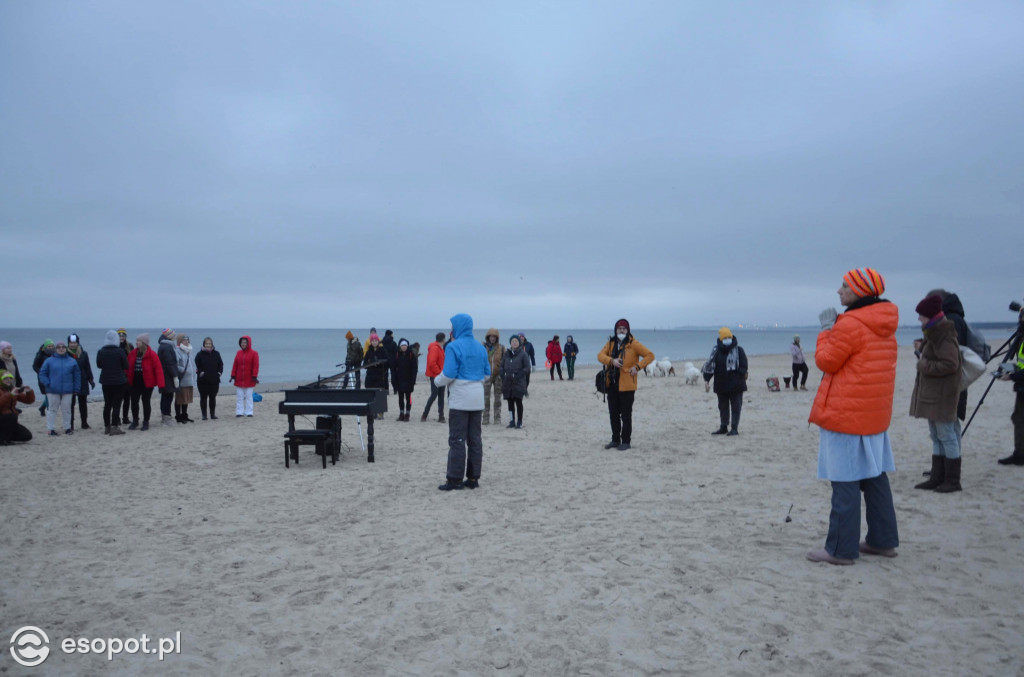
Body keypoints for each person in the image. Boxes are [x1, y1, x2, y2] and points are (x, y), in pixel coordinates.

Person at [806, 268, 899, 565]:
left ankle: (840, 549)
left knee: (844, 479)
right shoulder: (885, 324)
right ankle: (882, 541)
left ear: (860, 290)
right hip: (873, 414)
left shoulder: (851, 324)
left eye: (845, 285)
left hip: (847, 413)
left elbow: (826, 361)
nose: (839, 291)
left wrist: (826, 331)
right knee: (874, 477)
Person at [909, 294, 964, 492]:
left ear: (930, 316)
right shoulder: (934, 333)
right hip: (934, 394)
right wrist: (923, 348)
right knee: (936, 434)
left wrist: (923, 363)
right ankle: (937, 475)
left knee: (946, 434)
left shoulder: (944, 334)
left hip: (943, 394)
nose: (918, 319)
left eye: (921, 315)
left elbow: (951, 364)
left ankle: (952, 480)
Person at [434, 313, 489, 491]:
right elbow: (487, 374)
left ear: (457, 327)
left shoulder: (453, 347)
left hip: (460, 399)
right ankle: (473, 478)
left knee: (457, 439)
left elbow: (449, 373)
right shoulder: (481, 348)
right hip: (477, 398)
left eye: (452, 326)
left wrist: (437, 380)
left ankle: (455, 479)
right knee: (475, 439)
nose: (451, 330)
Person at [597, 319, 654, 451]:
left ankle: (626, 441)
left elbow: (650, 355)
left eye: (624, 328)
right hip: (612, 384)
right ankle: (615, 440)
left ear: (628, 330)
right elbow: (600, 356)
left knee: (626, 415)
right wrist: (611, 360)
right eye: (619, 328)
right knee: (613, 414)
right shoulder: (611, 343)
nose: (621, 330)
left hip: (627, 385)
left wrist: (638, 367)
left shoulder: (633, 344)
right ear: (615, 330)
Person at [702, 328, 749, 435]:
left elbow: (744, 365)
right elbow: (710, 366)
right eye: (725, 338)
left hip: (736, 385)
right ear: (721, 339)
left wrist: (738, 374)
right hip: (721, 384)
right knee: (722, 407)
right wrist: (707, 379)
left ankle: (734, 428)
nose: (727, 339)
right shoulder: (716, 351)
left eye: (729, 337)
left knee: (736, 407)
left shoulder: (739, 350)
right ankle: (723, 426)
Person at [38, 340, 80, 436]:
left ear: (66, 348)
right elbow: (42, 373)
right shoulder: (49, 361)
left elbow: (77, 375)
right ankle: (50, 429)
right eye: (59, 347)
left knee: (67, 409)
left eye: (63, 347)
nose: (61, 349)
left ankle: (67, 428)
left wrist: (76, 388)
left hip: (68, 390)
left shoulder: (72, 361)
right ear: (55, 349)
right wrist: (47, 383)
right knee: (52, 409)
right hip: (52, 389)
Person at [126, 334, 164, 430]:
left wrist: (161, 384)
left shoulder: (152, 354)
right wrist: (125, 379)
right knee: (134, 402)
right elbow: (127, 368)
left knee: (146, 402)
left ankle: (146, 422)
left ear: (143, 343)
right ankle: (135, 421)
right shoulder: (133, 353)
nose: (136, 343)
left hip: (147, 383)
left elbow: (158, 370)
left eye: (138, 341)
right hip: (134, 382)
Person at [997, 335, 1024, 466]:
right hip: (1021, 386)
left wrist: (1012, 376)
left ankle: (1020, 455)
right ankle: (1019, 453)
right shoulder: (1022, 337)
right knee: (1018, 419)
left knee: (1019, 419)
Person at [95, 330, 129, 435]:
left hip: (106, 381)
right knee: (116, 404)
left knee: (107, 404)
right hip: (119, 381)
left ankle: (107, 426)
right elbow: (126, 365)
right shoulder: (119, 351)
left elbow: (99, 365)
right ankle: (114, 426)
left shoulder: (101, 351)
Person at [501, 335, 531, 428]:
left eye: (516, 341)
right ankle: (512, 421)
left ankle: (519, 421)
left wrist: (518, 375)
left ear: (519, 343)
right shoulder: (506, 353)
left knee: (518, 402)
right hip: (508, 383)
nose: (514, 343)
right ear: (510, 343)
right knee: (510, 403)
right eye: (512, 341)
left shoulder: (523, 354)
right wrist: (502, 374)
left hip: (519, 382)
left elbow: (527, 368)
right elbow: (501, 366)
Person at [66, 333, 95, 430]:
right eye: (71, 343)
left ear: (78, 343)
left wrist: (91, 379)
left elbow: (87, 366)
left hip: (82, 379)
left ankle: (84, 422)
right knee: (71, 403)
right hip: (70, 380)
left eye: (74, 343)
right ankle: (71, 424)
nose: (73, 344)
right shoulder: (65, 354)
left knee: (83, 403)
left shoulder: (83, 353)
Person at [0, 370, 34, 444]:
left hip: (10, 421)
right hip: (3, 418)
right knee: (11, 416)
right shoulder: (7, 391)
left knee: (27, 436)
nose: (8, 380)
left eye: (10, 377)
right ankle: (3, 439)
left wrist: (29, 391)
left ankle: (5, 437)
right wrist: (10, 395)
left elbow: (29, 401)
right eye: (5, 378)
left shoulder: (12, 389)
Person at [194, 337, 224, 420]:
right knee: (203, 397)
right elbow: (197, 366)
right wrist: (201, 373)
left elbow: (220, 365)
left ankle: (212, 414)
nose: (208, 345)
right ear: (204, 344)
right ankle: (204, 415)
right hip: (202, 381)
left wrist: (219, 373)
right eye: (206, 343)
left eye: (209, 343)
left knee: (212, 397)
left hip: (214, 380)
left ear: (212, 344)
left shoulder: (216, 354)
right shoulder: (199, 354)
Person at [230, 335, 259, 417]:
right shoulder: (238, 353)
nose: (243, 344)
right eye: (242, 342)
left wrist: (254, 376)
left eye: (245, 342)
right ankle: (239, 412)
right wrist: (233, 375)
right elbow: (235, 364)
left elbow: (255, 366)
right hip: (239, 379)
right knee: (239, 396)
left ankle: (249, 412)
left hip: (249, 379)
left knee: (249, 397)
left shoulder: (254, 353)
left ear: (248, 343)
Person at [421, 332, 447, 422]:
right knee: (434, 395)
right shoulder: (435, 348)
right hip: (435, 376)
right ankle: (424, 414)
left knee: (441, 396)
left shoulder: (440, 348)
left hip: (440, 376)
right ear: (443, 339)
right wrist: (439, 373)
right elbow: (432, 363)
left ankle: (441, 416)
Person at [362, 333, 389, 419]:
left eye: (375, 341)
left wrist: (380, 362)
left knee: (380, 395)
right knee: (371, 395)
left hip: (380, 376)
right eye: (372, 341)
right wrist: (371, 363)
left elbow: (388, 361)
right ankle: (373, 412)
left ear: (378, 341)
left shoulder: (382, 350)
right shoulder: (368, 352)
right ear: (370, 342)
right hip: (370, 376)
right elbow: (364, 364)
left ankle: (380, 413)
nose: (374, 342)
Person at [390, 338, 418, 421]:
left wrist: (413, 380)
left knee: (408, 398)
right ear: (400, 346)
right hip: (400, 380)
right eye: (402, 345)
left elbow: (414, 369)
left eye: (405, 345)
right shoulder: (397, 355)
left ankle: (407, 414)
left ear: (407, 346)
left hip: (409, 380)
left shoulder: (411, 355)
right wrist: (394, 380)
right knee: (400, 398)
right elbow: (393, 368)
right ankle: (401, 413)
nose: (404, 347)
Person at [157, 329, 179, 426]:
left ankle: (165, 415)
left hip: (166, 375)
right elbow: (169, 363)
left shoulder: (166, 345)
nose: (174, 337)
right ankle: (166, 416)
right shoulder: (166, 347)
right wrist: (174, 376)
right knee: (167, 396)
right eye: (173, 335)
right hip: (167, 376)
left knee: (167, 396)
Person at [482, 329, 505, 425]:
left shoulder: (502, 348)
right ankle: (485, 418)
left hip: (498, 376)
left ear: (497, 338)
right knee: (485, 398)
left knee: (497, 398)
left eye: (494, 337)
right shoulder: (483, 347)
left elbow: (504, 362)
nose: (492, 338)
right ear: (488, 337)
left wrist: (503, 374)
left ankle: (497, 418)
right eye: (491, 336)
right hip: (487, 376)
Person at [174, 334, 196, 423]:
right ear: (180, 341)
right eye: (184, 340)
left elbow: (192, 364)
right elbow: (176, 364)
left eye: (187, 340)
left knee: (186, 398)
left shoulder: (189, 351)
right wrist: (184, 370)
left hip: (189, 379)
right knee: (180, 399)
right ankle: (178, 416)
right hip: (182, 379)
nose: (186, 341)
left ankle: (184, 415)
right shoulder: (177, 351)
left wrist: (194, 371)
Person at [32, 339, 55, 416]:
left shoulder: (55, 354)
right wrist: (41, 373)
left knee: (52, 394)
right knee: (48, 393)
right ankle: (49, 410)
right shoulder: (40, 355)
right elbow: (35, 366)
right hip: (43, 378)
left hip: (54, 377)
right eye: (49, 346)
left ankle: (42, 407)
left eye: (52, 346)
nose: (50, 347)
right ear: (45, 347)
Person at [117, 329, 132, 425]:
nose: (121, 337)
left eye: (123, 336)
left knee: (127, 398)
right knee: (118, 399)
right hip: (118, 375)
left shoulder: (129, 346)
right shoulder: (115, 347)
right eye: (120, 336)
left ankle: (125, 417)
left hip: (128, 375)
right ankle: (116, 418)